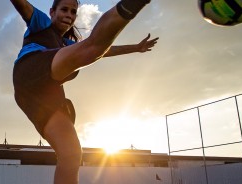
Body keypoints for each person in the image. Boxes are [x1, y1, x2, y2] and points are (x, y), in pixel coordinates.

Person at [10, 0, 159, 183]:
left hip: (40, 95)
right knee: (90, 48)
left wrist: (135, 48)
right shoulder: (42, 23)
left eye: (73, 12)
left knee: (71, 154)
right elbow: (22, 5)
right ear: (52, 11)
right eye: (64, 10)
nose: (69, 15)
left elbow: (104, 50)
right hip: (30, 71)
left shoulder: (66, 42)